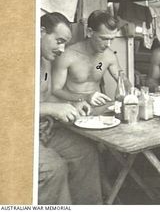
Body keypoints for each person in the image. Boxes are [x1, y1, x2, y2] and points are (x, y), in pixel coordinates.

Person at [39, 12, 103, 204]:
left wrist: (72, 103)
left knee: (85, 153)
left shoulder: (44, 61)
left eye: (65, 43)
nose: (62, 48)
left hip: (44, 131)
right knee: (52, 168)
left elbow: (46, 95)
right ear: (41, 32)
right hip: (16, 139)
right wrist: (51, 108)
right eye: (58, 41)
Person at [52, 10, 121, 105]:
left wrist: (130, 88)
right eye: (104, 39)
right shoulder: (67, 55)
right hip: (73, 107)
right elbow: (56, 90)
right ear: (89, 32)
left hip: (97, 107)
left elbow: (121, 77)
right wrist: (85, 97)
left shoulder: (109, 55)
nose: (108, 44)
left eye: (112, 39)